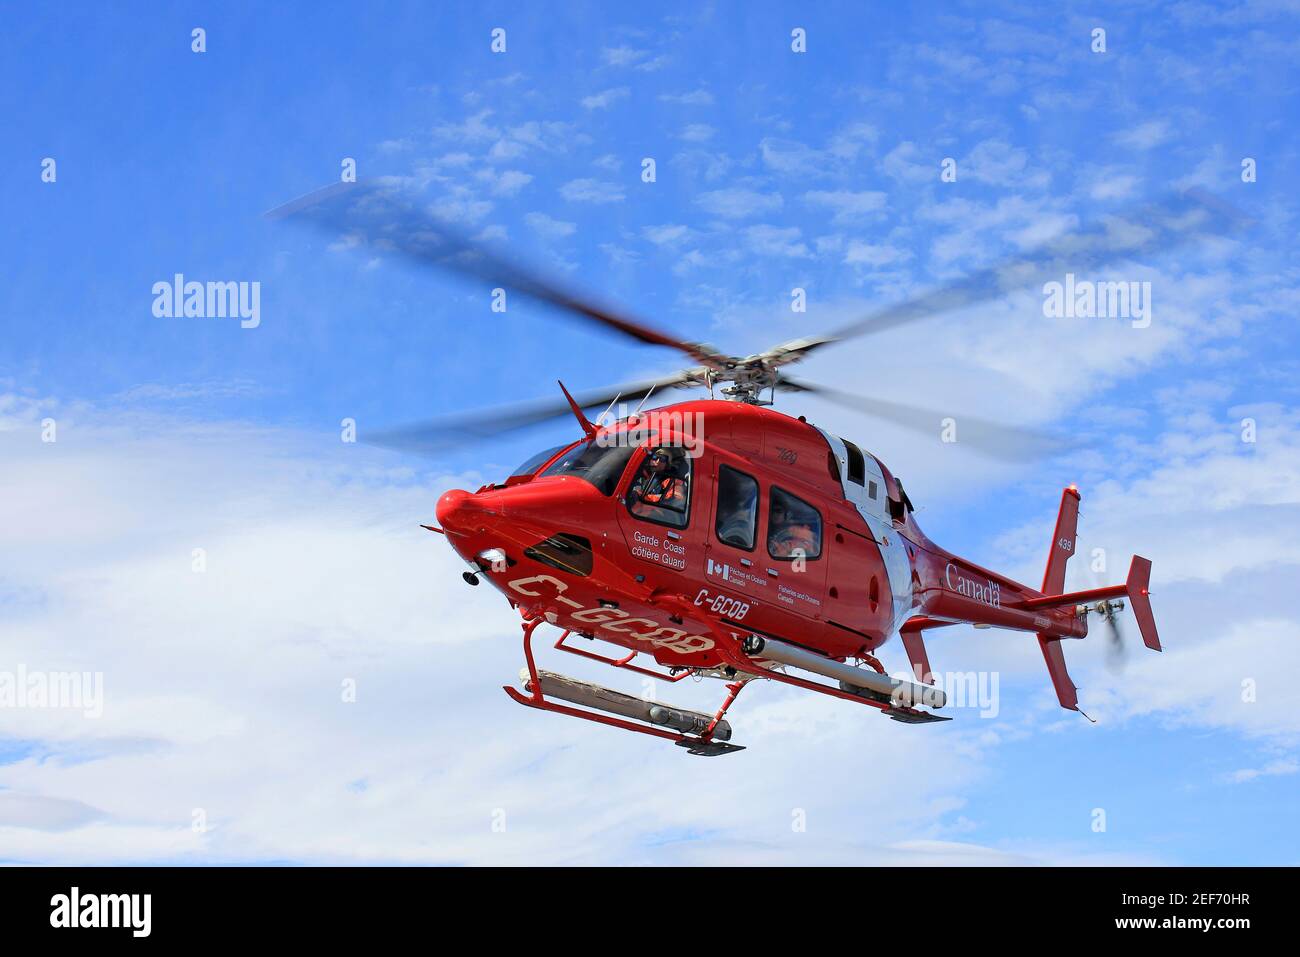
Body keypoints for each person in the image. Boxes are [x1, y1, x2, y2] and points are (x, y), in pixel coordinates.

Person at [630, 447, 688, 520]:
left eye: (662, 459)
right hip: (633, 511)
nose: (657, 461)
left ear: (667, 464)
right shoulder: (636, 472)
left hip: (654, 516)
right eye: (655, 457)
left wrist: (643, 496)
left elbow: (676, 496)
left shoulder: (670, 480)